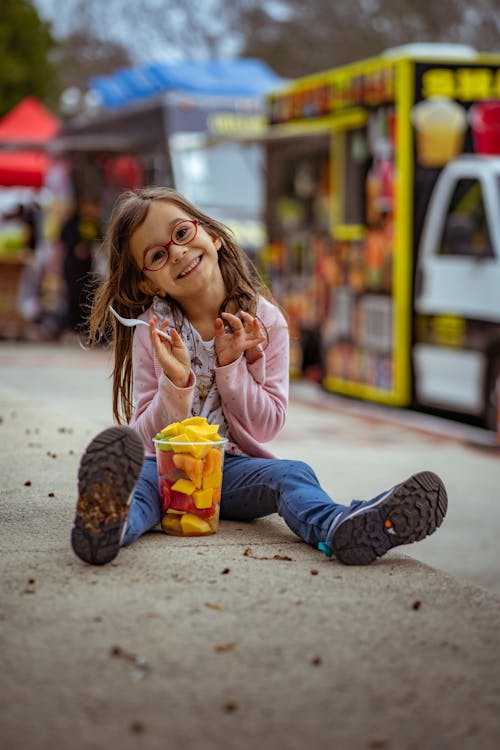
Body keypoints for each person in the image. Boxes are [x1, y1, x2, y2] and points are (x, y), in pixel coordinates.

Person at [71, 187, 448, 566]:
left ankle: (339, 525)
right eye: (157, 255)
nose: (178, 252)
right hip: (168, 470)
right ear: (148, 284)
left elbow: (267, 426)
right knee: (139, 489)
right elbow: (143, 436)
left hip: (235, 472)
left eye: (182, 233)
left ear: (212, 235)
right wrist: (177, 383)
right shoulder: (153, 332)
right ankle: (107, 526)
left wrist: (232, 365)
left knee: (293, 474)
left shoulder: (266, 322)